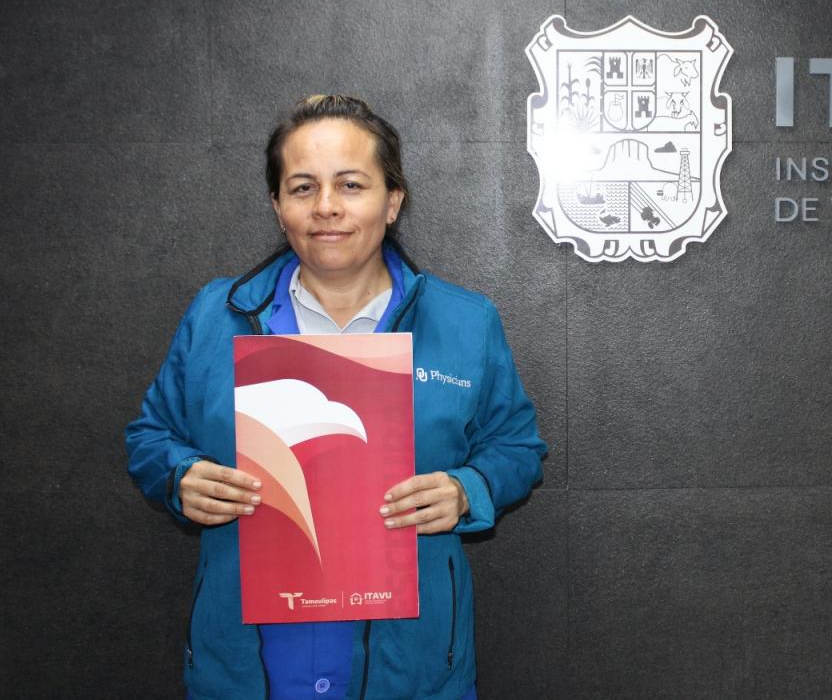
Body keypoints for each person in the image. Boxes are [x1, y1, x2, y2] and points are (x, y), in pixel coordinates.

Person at [125, 95, 545, 699]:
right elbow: (151, 435)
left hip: (409, 663)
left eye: (351, 184)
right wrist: (179, 475)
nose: (326, 207)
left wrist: (466, 490)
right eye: (302, 188)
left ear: (392, 201)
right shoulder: (216, 315)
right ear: (277, 206)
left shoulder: (466, 322)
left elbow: (516, 447)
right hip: (247, 661)